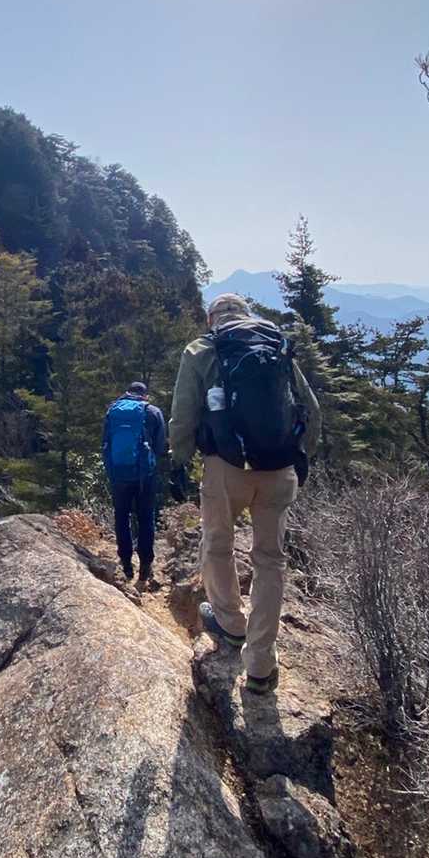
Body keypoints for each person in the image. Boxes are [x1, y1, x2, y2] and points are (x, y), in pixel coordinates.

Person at [168, 293, 320, 694]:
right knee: (270, 560)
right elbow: (311, 409)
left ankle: (231, 624)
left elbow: (184, 413)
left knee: (217, 543)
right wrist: (301, 456)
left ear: (211, 319)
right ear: (247, 316)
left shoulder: (202, 349)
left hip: (226, 468)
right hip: (279, 468)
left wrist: (179, 460)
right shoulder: (277, 346)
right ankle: (261, 664)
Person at [102, 381, 166, 587]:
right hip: (145, 475)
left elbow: (105, 443)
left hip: (119, 473)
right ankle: (145, 566)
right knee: (146, 517)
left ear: (127, 393)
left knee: (122, 516)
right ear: (145, 395)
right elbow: (160, 445)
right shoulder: (153, 412)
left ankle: (126, 563)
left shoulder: (112, 412)